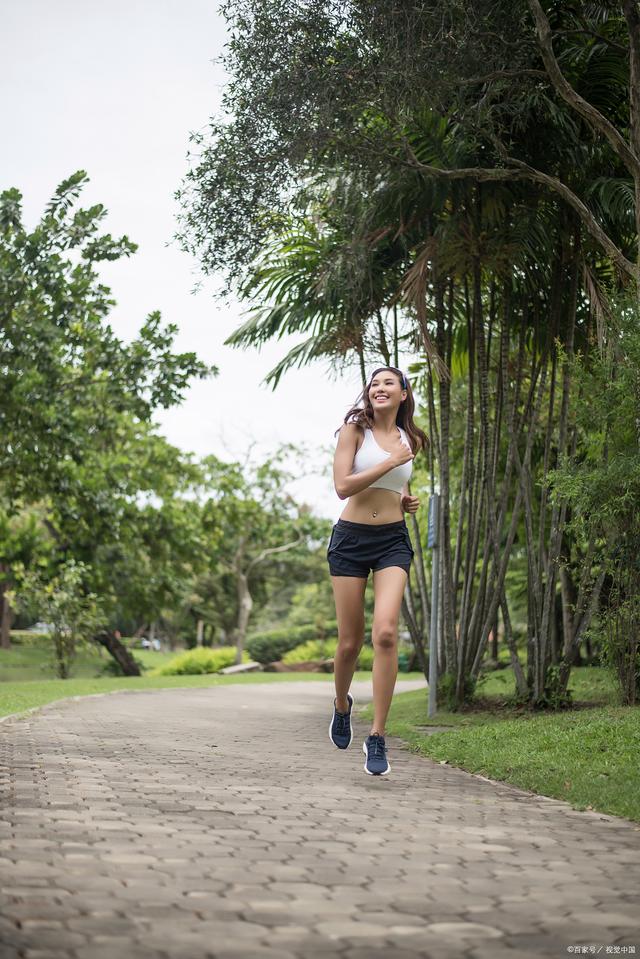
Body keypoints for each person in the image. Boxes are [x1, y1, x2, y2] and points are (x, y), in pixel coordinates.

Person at [327, 366, 428, 775]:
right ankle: (341, 703)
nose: (379, 388)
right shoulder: (353, 431)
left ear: (403, 394)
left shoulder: (411, 440)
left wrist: (403, 498)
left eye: (389, 383)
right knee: (349, 643)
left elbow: (399, 480)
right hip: (350, 540)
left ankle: (378, 737)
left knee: (385, 632)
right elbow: (343, 486)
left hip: (392, 541)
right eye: (374, 383)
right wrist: (389, 463)